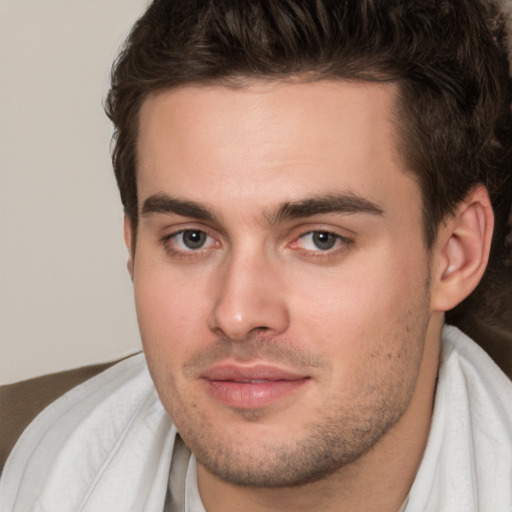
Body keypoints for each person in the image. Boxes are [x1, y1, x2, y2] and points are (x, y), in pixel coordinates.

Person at [1, 0, 512, 510]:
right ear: (133, 247)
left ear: (455, 253)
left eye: (320, 239)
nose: (238, 314)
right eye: (192, 238)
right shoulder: (16, 465)